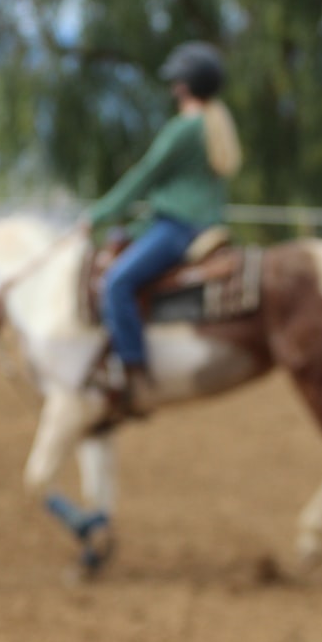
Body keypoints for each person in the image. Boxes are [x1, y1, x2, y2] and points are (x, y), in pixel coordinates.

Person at [80, 41, 242, 417]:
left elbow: (145, 175)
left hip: (179, 226)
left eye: (176, 82)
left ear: (185, 85)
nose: (172, 88)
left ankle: (132, 371)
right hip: (195, 221)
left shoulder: (184, 128)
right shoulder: (215, 124)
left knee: (117, 282)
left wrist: (99, 214)